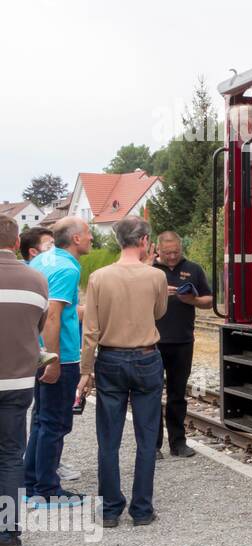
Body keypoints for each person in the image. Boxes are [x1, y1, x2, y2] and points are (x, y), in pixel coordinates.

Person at [77, 217, 168, 527]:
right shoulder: (155, 276)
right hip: (146, 359)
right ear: (143, 241)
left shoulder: (99, 278)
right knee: (146, 439)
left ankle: (109, 510)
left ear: (119, 241)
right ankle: (142, 510)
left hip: (110, 360)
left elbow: (90, 330)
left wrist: (85, 370)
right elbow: (159, 313)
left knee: (108, 439)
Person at [24, 216, 93, 506]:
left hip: (35, 350)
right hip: (59, 356)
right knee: (56, 423)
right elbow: (53, 315)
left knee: (41, 419)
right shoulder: (66, 268)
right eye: (88, 233)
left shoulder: (42, 260)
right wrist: (53, 360)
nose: (91, 238)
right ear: (76, 239)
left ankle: (30, 482)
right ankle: (48, 489)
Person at [0, 216, 49, 546]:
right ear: (17, 243)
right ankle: (6, 535)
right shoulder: (36, 279)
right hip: (17, 381)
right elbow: (39, 325)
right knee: (10, 457)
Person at [152, 231, 212, 457]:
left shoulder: (193, 269)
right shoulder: (148, 270)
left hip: (183, 341)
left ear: (181, 248)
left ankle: (178, 443)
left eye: (176, 252)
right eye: (167, 253)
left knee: (177, 396)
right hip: (153, 342)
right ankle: (153, 446)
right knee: (152, 395)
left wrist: (193, 300)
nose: (171, 257)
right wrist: (158, 295)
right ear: (158, 250)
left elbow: (208, 300)